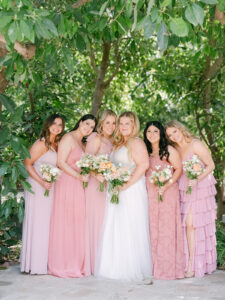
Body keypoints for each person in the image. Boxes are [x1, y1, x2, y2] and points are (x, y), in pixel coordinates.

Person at [95, 111, 152, 281]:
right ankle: (112, 267)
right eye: (121, 123)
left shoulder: (137, 142)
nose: (124, 126)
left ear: (134, 125)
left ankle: (129, 268)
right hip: (115, 189)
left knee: (129, 226)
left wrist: (126, 185)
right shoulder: (118, 143)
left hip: (131, 190)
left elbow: (143, 165)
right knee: (115, 226)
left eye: (128, 123)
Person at [166, 120, 217, 278]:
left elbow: (211, 165)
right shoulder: (174, 149)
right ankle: (187, 262)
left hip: (200, 186)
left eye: (174, 131)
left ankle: (192, 265)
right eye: (169, 135)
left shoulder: (195, 144)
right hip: (184, 187)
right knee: (186, 225)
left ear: (180, 129)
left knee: (192, 224)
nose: (173, 136)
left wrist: (197, 178)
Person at [48, 114, 96, 278]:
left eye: (92, 127)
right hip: (67, 183)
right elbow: (61, 163)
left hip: (79, 185)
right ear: (80, 121)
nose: (88, 128)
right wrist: (78, 177)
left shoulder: (83, 143)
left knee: (77, 223)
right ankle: (63, 264)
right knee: (66, 222)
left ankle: (76, 262)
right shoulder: (68, 138)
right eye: (87, 123)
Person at [20, 114, 64, 274]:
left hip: (49, 186)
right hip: (38, 186)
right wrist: (41, 182)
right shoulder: (41, 143)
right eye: (54, 124)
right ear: (48, 125)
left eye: (60, 125)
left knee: (46, 224)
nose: (57, 127)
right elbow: (27, 164)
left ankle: (43, 261)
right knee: (38, 223)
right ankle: (34, 264)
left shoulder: (56, 144)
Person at [144, 121, 184, 280]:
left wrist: (166, 185)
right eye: (149, 131)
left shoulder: (169, 150)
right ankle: (154, 266)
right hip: (152, 194)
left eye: (155, 131)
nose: (152, 134)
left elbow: (179, 169)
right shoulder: (146, 152)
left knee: (166, 229)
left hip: (167, 192)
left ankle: (168, 268)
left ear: (160, 134)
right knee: (153, 228)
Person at [85, 110, 117, 275]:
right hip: (95, 184)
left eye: (113, 123)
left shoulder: (114, 141)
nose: (111, 126)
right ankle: (91, 264)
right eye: (107, 122)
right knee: (95, 221)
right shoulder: (96, 138)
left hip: (108, 186)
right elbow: (87, 160)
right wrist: (96, 174)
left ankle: (102, 262)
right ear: (101, 123)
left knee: (106, 222)